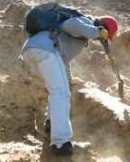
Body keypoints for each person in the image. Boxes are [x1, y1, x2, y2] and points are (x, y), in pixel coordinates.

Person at [19, 11, 118, 155]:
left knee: (60, 89)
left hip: (37, 50)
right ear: (103, 26)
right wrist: (97, 31)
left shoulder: (79, 35)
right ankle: (60, 143)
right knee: (60, 92)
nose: (101, 39)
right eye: (105, 36)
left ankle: (51, 123)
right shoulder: (85, 21)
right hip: (45, 49)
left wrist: (68, 80)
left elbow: (62, 60)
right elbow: (70, 25)